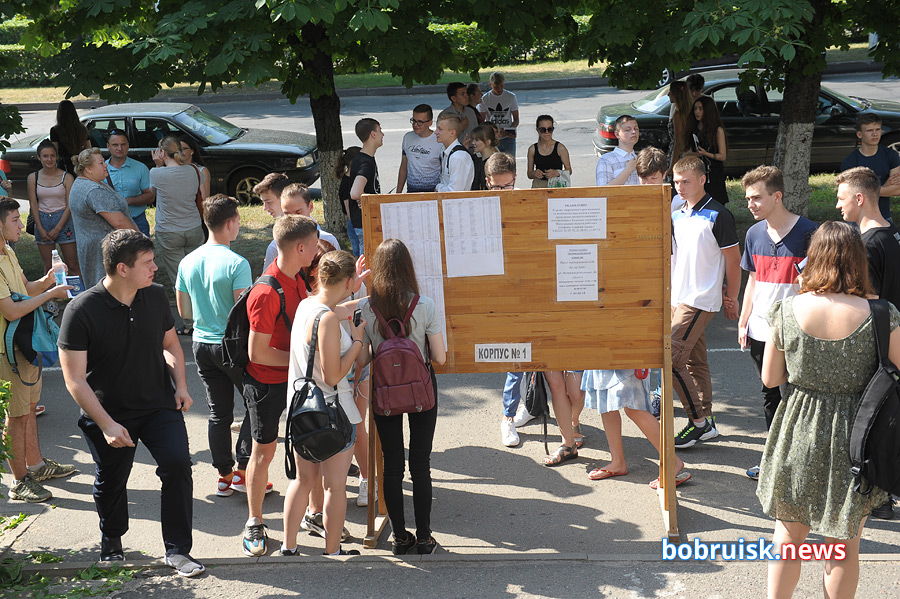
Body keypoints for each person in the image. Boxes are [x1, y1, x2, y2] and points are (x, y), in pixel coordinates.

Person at [758, 221, 898, 599]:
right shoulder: (881, 313)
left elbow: (771, 378)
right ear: (859, 260)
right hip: (858, 435)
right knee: (843, 544)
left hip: (798, 428)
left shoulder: (787, 309)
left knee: (788, 535)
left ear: (814, 257)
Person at [58, 230, 204, 577]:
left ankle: (178, 550)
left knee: (178, 465)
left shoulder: (154, 295)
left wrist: (181, 385)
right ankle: (112, 541)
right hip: (107, 413)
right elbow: (74, 379)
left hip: (158, 405)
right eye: (147, 262)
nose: (155, 268)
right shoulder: (81, 310)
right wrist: (106, 424)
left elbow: (170, 344)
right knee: (111, 479)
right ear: (122, 269)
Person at [354, 238, 447, 554]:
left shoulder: (367, 308)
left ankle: (399, 538)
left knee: (392, 465)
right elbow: (440, 357)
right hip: (421, 389)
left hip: (384, 391)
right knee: (420, 464)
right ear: (408, 267)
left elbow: (362, 359)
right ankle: (424, 537)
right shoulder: (425, 305)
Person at [240, 215, 317, 557]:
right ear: (300, 248)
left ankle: (313, 513)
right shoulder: (266, 291)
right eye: (313, 246)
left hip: (293, 380)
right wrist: (300, 361)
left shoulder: (298, 276)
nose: (316, 251)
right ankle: (254, 521)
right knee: (264, 452)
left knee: (309, 445)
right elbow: (257, 353)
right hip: (267, 384)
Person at [282, 250, 367, 557]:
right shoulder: (329, 320)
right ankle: (332, 552)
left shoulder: (307, 305)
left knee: (303, 481)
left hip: (302, 411)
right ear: (347, 281)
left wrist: (360, 294)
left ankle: (289, 546)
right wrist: (357, 341)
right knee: (334, 487)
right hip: (332, 413)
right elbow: (333, 375)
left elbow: (339, 307)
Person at [738, 166, 817, 481]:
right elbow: (753, 280)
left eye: (757, 198)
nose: (751, 204)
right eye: (748, 199)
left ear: (777, 196)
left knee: (799, 396)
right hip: (761, 329)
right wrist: (744, 319)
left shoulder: (810, 233)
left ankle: (802, 460)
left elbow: (817, 285)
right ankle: (773, 459)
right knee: (770, 393)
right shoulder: (753, 234)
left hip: (797, 330)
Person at [175, 194, 253, 499]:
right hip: (232, 346)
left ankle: (224, 475)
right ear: (231, 223)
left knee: (218, 413)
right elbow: (243, 313)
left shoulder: (187, 261)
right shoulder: (237, 263)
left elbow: (184, 312)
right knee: (254, 405)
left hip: (201, 344)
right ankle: (244, 471)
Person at [835, 165, 900, 521]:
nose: (838, 205)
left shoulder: (867, 245)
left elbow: (868, 302)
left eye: (842, 198)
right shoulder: (893, 234)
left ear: (859, 198)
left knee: (875, 422)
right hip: (895, 341)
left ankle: (879, 496)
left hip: (878, 347)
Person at [0, 197, 75, 503]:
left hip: (25, 344)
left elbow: (24, 289)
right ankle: (19, 482)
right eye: (15, 219)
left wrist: (46, 281)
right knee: (15, 416)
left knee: (29, 409)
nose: (22, 225)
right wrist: (51, 294)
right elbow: (11, 310)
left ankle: (37, 466)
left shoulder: (8, 251)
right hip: (7, 352)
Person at [670, 156, 740, 448]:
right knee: (695, 362)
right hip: (677, 298)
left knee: (670, 358)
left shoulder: (718, 214)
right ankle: (707, 420)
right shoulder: (677, 214)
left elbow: (733, 260)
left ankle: (697, 422)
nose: (680, 187)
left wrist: (732, 297)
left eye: (686, 181)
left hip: (699, 299)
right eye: (676, 181)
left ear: (702, 180)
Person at [149, 135, 204, 335]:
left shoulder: (156, 173)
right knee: (198, 276)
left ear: (162, 152)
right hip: (194, 227)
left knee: (179, 278)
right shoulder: (193, 170)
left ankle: (189, 324)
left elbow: (152, 194)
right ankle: (205, 317)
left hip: (169, 231)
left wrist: (158, 165)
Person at [67, 149, 138, 288]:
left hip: (92, 249)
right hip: (105, 252)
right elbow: (119, 222)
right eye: (101, 163)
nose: (106, 165)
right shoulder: (94, 190)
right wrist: (140, 239)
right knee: (110, 290)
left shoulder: (82, 183)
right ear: (88, 169)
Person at [26, 140, 79, 276]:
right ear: (39, 158)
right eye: (45, 156)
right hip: (42, 219)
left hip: (64, 220)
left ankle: (77, 289)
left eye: (52, 156)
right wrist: (40, 228)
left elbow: (70, 205)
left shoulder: (67, 177)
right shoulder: (33, 178)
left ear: (57, 157)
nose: (49, 159)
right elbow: (33, 204)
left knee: (72, 264)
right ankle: (52, 291)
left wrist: (57, 228)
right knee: (49, 267)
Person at [841, 114, 900, 222]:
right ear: (859, 134)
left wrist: (866, 190)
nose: (875, 134)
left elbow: (897, 189)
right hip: (858, 219)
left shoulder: (891, 155)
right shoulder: (850, 162)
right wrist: (885, 187)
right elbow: (853, 194)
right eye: (869, 130)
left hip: (884, 217)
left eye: (878, 129)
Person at [105, 130, 155, 238]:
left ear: (128, 145)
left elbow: (150, 196)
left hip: (137, 221)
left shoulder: (141, 168)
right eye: (115, 145)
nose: (120, 148)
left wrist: (128, 201)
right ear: (108, 146)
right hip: (109, 223)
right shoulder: (101, 169)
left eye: (123, 144)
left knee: (143, 249)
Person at [349, 119, 383, 255]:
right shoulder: (366, 163)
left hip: (362, 221)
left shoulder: (361, 157)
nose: (383, 134)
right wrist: (366, 199)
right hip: (365, 222)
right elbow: (355, 193)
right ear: (373, 134)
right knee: (367, 263)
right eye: (380, 130)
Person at [686, 95, 728, 204]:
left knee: (716, 202)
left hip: (714, 172)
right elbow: (687, 151)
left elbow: (722, 155)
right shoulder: (693, 129)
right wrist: (692, 154)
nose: (697, 112)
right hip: (698, 171)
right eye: (695, 109)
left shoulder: (717, 130)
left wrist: (706, 154)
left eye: (700, 109)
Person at [396, 105, 442, 193]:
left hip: (433, 192)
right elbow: (404, 167)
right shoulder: (407, 137)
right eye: (414, 120)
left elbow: (444, 171)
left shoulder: (439, 141)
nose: (415, 125)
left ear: (430, 123)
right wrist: (398, 193)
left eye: (420, 122)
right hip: (412, 191)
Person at [280, 182, 340, 250]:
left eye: (298, 213)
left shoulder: (328, 240)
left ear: (310, 207)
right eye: (287, 214)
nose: (293, 218)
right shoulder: (277, 246)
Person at [253, 172, 292, 270]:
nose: (265, 208)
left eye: (268, 202)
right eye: (263, 202)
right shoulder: (312, 224)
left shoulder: (275, 247)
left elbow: (268, 276)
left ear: (284, 198)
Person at [478, 72, 519, 156]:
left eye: (501, 85)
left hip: (508, 139)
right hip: (492, 138)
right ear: (490, 85)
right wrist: (495, 131)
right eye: (496, 87)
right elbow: (481, 122)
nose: (499, 89)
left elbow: (516, 119)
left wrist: (510, 131)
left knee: (510, 161)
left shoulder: (511, 97)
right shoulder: (485, 99)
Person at [527, 115, 572, 188]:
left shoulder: (560, 148)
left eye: (550, 129)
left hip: (556, 185)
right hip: (538, 185)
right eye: (543, 130)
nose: (547, 132)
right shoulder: (532, 149)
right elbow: (529, 174)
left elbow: (569, 170)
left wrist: (557, 173)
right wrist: (534, 173)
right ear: (537, 130)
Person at [434, 114, 474, 193]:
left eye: (440, 129)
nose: (435, 132)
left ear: (452, 133)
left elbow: (454, 192)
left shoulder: (458, 157)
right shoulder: (446, 151)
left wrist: (438, 187)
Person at [596, 115, 640, 186]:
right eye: (627, 130)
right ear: (617, 134)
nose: (633, 132)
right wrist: (628, 170)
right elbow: (603, 190)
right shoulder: (606, 160)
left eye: (636, 128)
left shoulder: (640, 159)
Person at [49, 100, 90, 176]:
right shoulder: (82, 129)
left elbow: (55, 151)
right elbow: (89, 149)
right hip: (80, 164)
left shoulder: (55, 130)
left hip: (64, 165)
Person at [335, 148, 362, 257]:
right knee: (359, 254)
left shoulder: (356, 179)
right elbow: (349, 210)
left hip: (357, 223)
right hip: (355, 224)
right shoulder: (346, 183)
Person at [666, 81, 692, 178]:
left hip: (678, 155)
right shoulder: (689, 111)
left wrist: (672, 166)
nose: (668, 94)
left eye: (670, 92)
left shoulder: (678, 115)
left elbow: (678, 142)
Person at [445, 83, 478, 147]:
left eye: (466, 93)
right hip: (455, 149)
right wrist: (461, 127)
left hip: (473, 149)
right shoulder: (446, 115)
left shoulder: (470, 112)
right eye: (462, 94)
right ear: (454, 98)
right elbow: (445, 138)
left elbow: (477, 132)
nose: (466, 96)